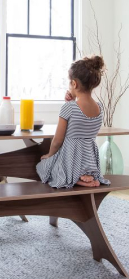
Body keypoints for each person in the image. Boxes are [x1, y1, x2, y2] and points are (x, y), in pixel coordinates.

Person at [36, 55, 110, 188]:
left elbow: (58, 140)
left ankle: (73, 178)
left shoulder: (69, 108)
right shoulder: (100, 107)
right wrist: (71, 103)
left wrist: (49, 155)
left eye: (69, 83)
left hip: (71, 159)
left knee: (43, 166)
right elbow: (81, 125)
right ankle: (88, 174)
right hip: (90, 158)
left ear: (74, 84)